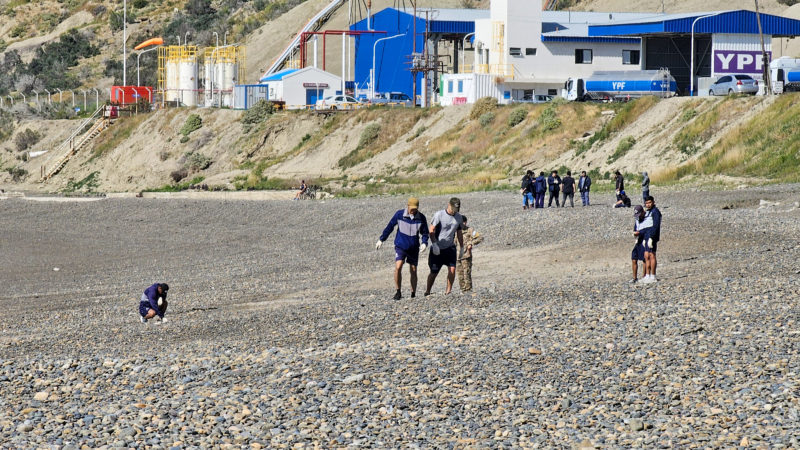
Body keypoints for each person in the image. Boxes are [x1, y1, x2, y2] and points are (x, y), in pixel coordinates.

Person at [376, 197, 430, 300]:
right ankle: (398, 292)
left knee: (413, 270)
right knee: (398, 266)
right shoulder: (399, 214)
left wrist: (424, 243)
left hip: (414, 248)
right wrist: (381, 239)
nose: (413, 211)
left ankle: (413, 293)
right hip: (401, 246)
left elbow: (425, 233)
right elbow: (390, 226)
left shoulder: (421, 218)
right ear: (408, 205)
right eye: (412, 208)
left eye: (415, 209)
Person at [424, 197, 464, 296]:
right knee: (434, 272)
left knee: (452, 269)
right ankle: (428, 291)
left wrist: (462, 247)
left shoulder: (459, 217)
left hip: (450, 248)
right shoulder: (439, 215)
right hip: (437, 247)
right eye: (453, 209)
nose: (454, 212)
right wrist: (434, 244)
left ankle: (448, 291)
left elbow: (459, 233)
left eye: (456, 210)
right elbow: (431, 230)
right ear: (449, 205)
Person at [456, 215, 483, 292]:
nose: (463, 224)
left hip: (466, 256)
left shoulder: (470, 230)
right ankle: (463, 290)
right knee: (460, 275)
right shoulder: (456, 231)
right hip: (457, 256)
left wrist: (471, 243)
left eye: (464, 222)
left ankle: (468, 290)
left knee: (466, 274)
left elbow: (480, 237)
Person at [639, 195, 662, 284]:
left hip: (652, 237)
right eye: (646, 203)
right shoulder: (648, 212)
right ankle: (647, 275)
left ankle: (653, 276)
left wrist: (652, 238)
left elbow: (656, 226)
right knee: (646, 256)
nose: (648, 204)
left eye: (649, 202)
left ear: (653, 202)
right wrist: (644, 237)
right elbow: (645, 225)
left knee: (652, 255)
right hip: (646, 236)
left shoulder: (655, 212)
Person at [630, 205, 646, 283]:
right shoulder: (637, 220)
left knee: (644, 259)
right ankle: (634, 278)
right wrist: (635, 233)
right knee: (634, 258)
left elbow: (649, 230)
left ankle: (644, 276)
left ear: (643, 212)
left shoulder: (647, 219)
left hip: (645, 241)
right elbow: (635, 229)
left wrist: (640, 233)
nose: (638, 217)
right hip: (638, 241)